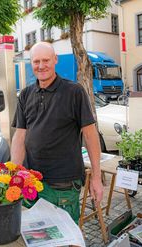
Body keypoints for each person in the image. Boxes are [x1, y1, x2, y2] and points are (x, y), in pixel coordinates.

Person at [11, 42, 103, 224]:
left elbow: (91, 136)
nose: (41, 65)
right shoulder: (26, 94)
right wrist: (14, 174)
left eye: (46, 60)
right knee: (37, 236)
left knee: (69, 235)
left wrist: (97, 178)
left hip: (63, 184)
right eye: (36, 61)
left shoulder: (74, 92)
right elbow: (19, 137)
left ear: (55, 60)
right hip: (31, 182)